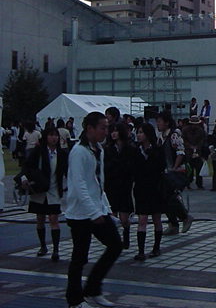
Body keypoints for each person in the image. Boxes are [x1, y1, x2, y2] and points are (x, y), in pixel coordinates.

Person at [65, 112, 123, 308]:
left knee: (115, 245)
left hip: (97, 209)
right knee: (79, 257)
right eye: (102, 128)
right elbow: (79, 184)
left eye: (107, 128)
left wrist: (106, 208)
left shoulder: (98, 149)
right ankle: (74, 300)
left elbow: (97, 183)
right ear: (89, 128)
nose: (106, 132)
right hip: (79, 213)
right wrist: (93, 212)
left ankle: (92, 289)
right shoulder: (79, 152)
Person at [22, 127, 68, 261]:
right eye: (51, 135)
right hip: (39, 190)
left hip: (54, 189)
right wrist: (24, 178)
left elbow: (67, 170)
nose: (54, 138)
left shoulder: (62, 153)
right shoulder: (39, 151)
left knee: (54, 218)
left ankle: (56, 249)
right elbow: (27, 165)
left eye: (56, 135)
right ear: (46, 137)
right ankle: (43, 245)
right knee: (40, 219)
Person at [156, 112, 194, 236]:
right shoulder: (161, 136)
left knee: (169, 196)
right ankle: (173, 224)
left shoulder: (174, 135)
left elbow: (180, 152)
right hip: (167, 172)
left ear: (167, 122)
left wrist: (174, 167)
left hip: (178, 172)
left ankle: (183, 217)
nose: (158, 124)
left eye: (160, 121)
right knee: (164, 197)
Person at [132, 123, 165, 261]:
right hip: (141, 188)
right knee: (142, 219)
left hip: (155, 188)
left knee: (157, 218)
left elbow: (161, 167)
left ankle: (156, 247)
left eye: (141, 132)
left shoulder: (157, 150)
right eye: (138, 132)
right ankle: (141, 251)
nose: (138, 135)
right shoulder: (136, 150)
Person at [104, 122, 135, 250]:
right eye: (112, 131)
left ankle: (126, 237)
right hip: (111, 185)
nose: (114, 133)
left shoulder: (130, 149)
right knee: (112, 215)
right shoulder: (108, 149)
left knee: (124, 218)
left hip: (125, 185)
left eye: (116, 131)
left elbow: (131, 167)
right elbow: (106, 167)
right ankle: (115, 241)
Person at [182, 116, 206, 190]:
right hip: (188, 152)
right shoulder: (185, 130)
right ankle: (188, 183)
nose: (194, 126)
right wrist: (190, 146)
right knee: (189, 169)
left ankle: (199, 184)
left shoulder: (200, 130)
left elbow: (202, 140)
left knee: (199, 168)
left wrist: (197, 146)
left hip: (198, 152)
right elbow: (183, 140)